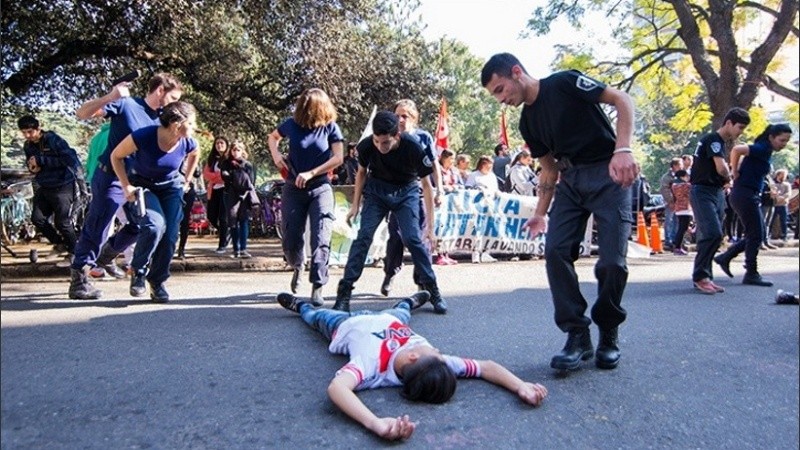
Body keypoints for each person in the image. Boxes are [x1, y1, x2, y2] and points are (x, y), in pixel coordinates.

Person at [481, 52, 638, 371]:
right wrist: (540, 212)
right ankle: (577, 336)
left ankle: (608, 331)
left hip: (608, 173)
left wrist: (623, 149)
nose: (501, 99)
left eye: (500, 89)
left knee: (612, 263)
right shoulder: (528, 122)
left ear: (516, 72)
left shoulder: (564, 83)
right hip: (570, 181)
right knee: (555, 252)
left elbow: (621, 99)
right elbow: (549, 170)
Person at [275, 290, 548, 441]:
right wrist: (520, 386)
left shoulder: (371, 364)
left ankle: (300, 306)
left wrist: (376, 423)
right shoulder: (434, 363)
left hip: (343, 325)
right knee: (402, 311)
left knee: (316, 315)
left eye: (436, 352)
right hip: (392, 319)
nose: (439, 350)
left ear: (414, 357)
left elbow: (338, 388)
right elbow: (486, 367)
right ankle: (410, 301)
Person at [69, 72, 183, 300]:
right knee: (98, 226)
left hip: (137, 182)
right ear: (160, 90)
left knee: (143, 226)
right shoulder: (126, 105)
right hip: (111, 177)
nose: (174, 106)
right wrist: (110, 96)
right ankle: (79, 279)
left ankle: (103, 258)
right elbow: (82, 114)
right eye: (172, 99)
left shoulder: (163, 117)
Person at [333, 111, 447, 314]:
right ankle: (344, 295)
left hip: (407, 191)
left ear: (397, 136)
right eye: (377, 141)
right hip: (377, 191)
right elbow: (360, 174)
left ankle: (433, 290)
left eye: (385, 142)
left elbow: (427, 187)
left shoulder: (413, 147)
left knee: (412, 239)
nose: (380, 147)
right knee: (363, 237)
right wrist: (355, 205)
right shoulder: (367, 146)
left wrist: (430, 226)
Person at [110, 101, 199, 302]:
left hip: (171, 187)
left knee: (169, 236)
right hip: (143, 185)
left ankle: (157, 282)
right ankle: (138, 273)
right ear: (177, 123)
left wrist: (187, 179)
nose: (194, 128)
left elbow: (195, 154)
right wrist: (126, 186)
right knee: (153, 226)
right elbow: (116, 156)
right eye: (191, 124)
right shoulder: (145, 135)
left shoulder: (188, 142)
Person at [268, 88, 344, 306]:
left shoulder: (330, 127)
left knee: (321, 237)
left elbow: (338, 158)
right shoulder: (291, 124)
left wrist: (312, 172)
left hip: (320, 188)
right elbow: (273, 137)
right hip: (293, 188)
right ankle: (297, 264)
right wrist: (276, 156)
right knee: (291, 238)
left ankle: (318, 286)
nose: (307, 111)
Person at [712, 123, 793, 289]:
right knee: (756, 234)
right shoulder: (762, 148)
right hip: (744, 194)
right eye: (781, 140)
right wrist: (734, 171)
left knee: (756, 233)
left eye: (786, 141)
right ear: (771, 137)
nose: (783, 144)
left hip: (748, 194)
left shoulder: (766, 150)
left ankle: (726, 257)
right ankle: (751, 273)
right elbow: (737, 150)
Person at [381, 99, 443, 297]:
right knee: (396, 237)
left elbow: (434, 167)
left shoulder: (423, 137)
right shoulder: (391, 137)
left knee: (422, 239)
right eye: (397, 115)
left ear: (413, 118)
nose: (400, 119)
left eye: (404, 116)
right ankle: (390, 272)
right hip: (397, 193)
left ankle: (422, 281)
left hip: (419, 191)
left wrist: (439, 190)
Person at [688, 107, 750, 294]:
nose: (741, 132)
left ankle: (705, 275)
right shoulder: (713, 140)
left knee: (713, 235)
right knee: (712, 233)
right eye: (740, 127)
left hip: (715, 191)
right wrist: (730, 178)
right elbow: (721, 168)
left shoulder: (719, 142)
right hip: (703, 191)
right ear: (729, 123)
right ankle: (700, 276)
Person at [18, 115, 83, 267]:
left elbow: (69, 160)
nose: (28, 136)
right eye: (24, 133)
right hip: (44, 186)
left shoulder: (54, 140)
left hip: (63, 186)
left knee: (63, 222)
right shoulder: (28, 146)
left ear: (38, 128)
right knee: (37, 218)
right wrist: (33, 168)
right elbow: (32, 164)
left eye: (30, 132)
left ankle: (75, 253)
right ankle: (59, 243)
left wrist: (42, 161)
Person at [219, 140, 258, 259]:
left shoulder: (248, 165)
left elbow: (250, 181)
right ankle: (236, 249)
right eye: (234, 150)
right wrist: (235, 178)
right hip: (230, 195)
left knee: (244, 221)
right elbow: (225, 177)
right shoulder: (226, 163)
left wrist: (235, 178)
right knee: (233, 222)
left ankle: (244, 248)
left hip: (244, 196)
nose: (236, 152)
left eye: (238, 150)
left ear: (242, 151)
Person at [464, 155, 500, 263]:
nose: (490, 168)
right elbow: (468, 188)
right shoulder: (474, 175)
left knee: (488, 229)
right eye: (488, 166)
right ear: (482, 164)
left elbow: (495, 190)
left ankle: (486, 252)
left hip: (490, 205)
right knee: (477, 229)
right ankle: (475, 253)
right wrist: (479, 189)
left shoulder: (492, 176)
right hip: (477, 206)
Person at [203, 136, 231, 254]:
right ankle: (227, 233)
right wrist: (218, 176)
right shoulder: (212, 159)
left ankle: (222, 245)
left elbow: (229, 175)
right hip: (214, 190)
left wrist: (218, 177)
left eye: (221, 143)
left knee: (223, 217)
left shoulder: (230, 159)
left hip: (226, 190)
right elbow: (206, 174)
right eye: (217, 143)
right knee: (211, 216)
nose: (219, 145)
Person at [433, 149, 461, 265]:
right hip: (439, 203)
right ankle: (439, 254)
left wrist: (455, 187)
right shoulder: (436, 170)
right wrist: (445, 188)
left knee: (449, 228)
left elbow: (460, 184)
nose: (453, 161)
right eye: (451, 158)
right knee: (440, 228)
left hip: (452, 204)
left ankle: (446, 253)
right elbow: (431, 185)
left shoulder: (454, 171)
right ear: (444, 158)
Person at [176, 160, 201, 259]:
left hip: (188, 191)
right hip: (173, 189)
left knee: (185, 220)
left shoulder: (191, 158)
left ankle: (182, 248)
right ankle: (166, 247)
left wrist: (194, 165)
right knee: (172, 219)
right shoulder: (174, 154)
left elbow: (197, 174)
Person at [659, 158, 684, 250]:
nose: (681, 166)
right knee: (669, 220)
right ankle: (668, 240)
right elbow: (664, 189)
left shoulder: (681, 176)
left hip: (680, 203)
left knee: (677, 221)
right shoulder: (667, 177)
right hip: (670, 202)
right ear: (674, 166)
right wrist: (670, 201)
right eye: (680, 165)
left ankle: (675, 240)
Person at [670, 170, 692, 255]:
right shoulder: (686, 185)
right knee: (683, 229)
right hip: (686, 208)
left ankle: (677, 246)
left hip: (678, 207)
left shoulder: (674, 185)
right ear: (683, 176)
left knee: (681, 228)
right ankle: (677, 247)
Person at [770, 169, 791, 242]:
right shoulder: (773, 184)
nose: (784, 176)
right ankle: (769, 235)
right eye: (782, 175)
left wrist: (782, 197)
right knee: (771, 220)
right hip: (775, 205)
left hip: (783, 205)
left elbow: (788, 193)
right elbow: (772, 193)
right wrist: (777, 197)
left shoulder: (787, 185)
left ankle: (784, 235)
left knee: (784, 221)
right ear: (778, 175)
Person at [759, 175, 778, 250]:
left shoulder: (770, 179)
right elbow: (760, 192)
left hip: (771, 203)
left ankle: (766, 241)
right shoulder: (761, 178)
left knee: (767, 224)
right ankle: (760, 242)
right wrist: (769, 193)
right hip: (764, 203)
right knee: (762, 223)